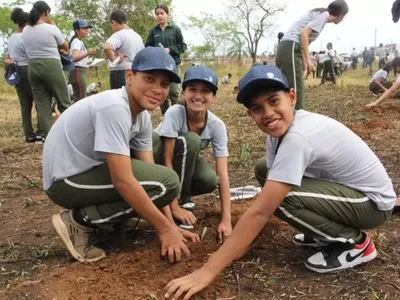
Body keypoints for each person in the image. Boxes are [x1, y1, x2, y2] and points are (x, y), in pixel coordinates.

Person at [164, 65, 397, 299]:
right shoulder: (279, 134)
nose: (268, 113)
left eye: (274, 101)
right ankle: (322, 231)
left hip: (372, 205)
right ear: (250, 114)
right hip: (347, 194)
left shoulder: (298, 137)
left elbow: (261, 211)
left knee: (280, 197)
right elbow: (271, 185)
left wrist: (207, 270)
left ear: (292, 97)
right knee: (265, 170)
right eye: (257, 108)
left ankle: (355, 243)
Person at [44, 47, 198, 263]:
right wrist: (164, 230)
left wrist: (171, 226)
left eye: (164, 84)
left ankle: (109, 219)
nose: (157, 89)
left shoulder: (142, 116)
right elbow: (124, 181)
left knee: (161, 182)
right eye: (149, 78)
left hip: (86, 170)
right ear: (129, 77)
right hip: (65, 181)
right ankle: (78, 221)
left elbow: (154, 174)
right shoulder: (114, 107)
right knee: (167, 183)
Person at [153, 66, 232, 243]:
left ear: (214, 96)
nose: (198, 96)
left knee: (209, 180)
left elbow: (223, 173)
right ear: (183, 93)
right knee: (192, 140)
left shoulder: (217, 125)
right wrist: (175, 208)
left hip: (181, 163)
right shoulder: (175, 113)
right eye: (192, 90)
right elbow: (166, 160)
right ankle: (173, 204)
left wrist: (226, 219)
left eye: (205, 91)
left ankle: (181, 197)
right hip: (156, 161)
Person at [276, 0, 348, 110]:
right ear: (341, 15)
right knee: (296, 87)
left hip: (288, 47)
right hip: (291, 46)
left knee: (287, 85)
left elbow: (304, 43)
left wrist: (305, 64)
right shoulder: (323, 15)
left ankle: (286, 115)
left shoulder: (320, 16)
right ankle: (297, 118)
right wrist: (309, 60)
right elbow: (304, 34)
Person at [22, 0, 71, 138]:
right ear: (46, 12)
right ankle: (71, 134)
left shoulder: (26, 30)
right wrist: (54, 26)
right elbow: (65, 46)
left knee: (42, 105)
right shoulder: (51, 28)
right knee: (64, 101)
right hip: (51, 66)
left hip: (32, 67)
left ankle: (49, 138)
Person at [3, 7, 43, 143]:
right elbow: (31, 54)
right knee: (39, 100)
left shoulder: (11, 38)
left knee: (25, 104)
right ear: (27, 22)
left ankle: (28, 134)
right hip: (28, 69)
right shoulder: (25, 37)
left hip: (17, 72)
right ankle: (41, 130)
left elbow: (8, 56)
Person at [146, 4, 187, 115]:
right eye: (157, 14)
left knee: (174, 92)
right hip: (159, 66)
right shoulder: (153, 32)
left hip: (174, 64)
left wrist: (170, 49)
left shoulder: (175, 30)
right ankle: (166, 118)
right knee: (163, 93)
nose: (159, 16)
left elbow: (183, 46)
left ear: (167, 15)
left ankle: (179, 116)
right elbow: (147, 48)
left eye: (162, 13)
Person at [104, 9, 144, 89]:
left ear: (113, 22)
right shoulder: (137, 36)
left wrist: (113, 59)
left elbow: (107, 47)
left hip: (120, 73)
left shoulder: (119, 34)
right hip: (135, 72)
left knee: (118, 99)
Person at [68, 19, 96, 102]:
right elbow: (75, 57)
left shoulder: (79, 42)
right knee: (80, 99)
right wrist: (88, 53)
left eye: (87, 28)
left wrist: (86, 66)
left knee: (80, 97)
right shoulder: (76, 42)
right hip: (77, 72)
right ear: (77, 30)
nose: (86, 30)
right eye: (83, 28)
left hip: (79, 70)